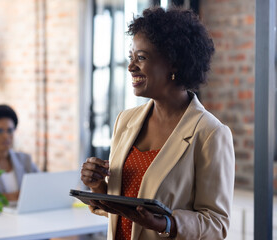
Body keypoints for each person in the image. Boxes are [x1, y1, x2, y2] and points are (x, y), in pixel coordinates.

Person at [81, 6, 235, 240]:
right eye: (130, 57)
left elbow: (217, 224)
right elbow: (121, 209)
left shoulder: (210, 133)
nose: (131, 66)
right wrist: (97, 186)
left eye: (141, 57)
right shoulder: (125, 121)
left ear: (174, 63)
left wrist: (166, 224)